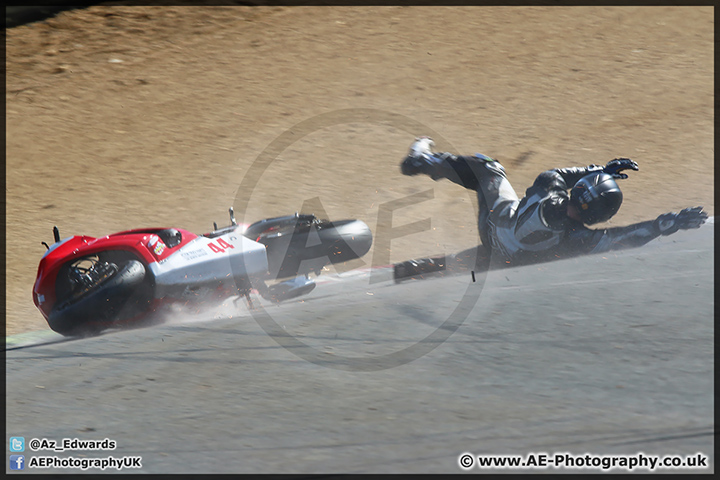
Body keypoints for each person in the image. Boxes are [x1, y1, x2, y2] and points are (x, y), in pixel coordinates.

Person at [395, 136, 708, 280]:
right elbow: (623, 237)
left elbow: (560, 174)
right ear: (600, 216)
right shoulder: (579, 239)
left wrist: (601, 169)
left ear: (579, 192)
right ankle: (413, 271)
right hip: (507, 260)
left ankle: (423, 161)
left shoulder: (549, 187)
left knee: (489, 168)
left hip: (494, 225)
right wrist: (666, 223)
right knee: (459, 266)